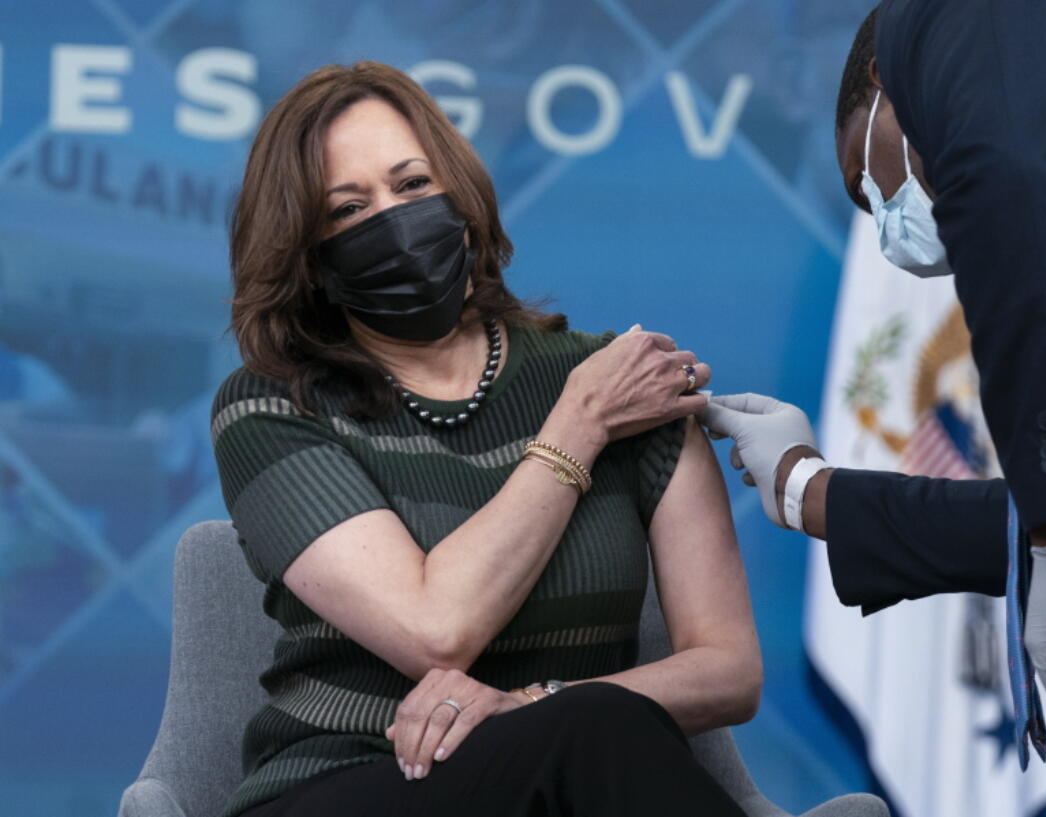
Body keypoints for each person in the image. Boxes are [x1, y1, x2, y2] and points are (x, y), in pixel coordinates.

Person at [703, 3, 1046, 815]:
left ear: (882, 79)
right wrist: (810, 490)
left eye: (864, 184)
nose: (888, 229)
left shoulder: (938, 16)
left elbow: (1012, 182)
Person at [211, 61, 763, 817]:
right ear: (309, 259)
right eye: (347, 210)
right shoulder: (274, 405)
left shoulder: (619, 384)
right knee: (591, 731)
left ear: (462, 197)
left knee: (591, 726)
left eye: (412, 185)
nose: (394, 221)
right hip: (347, 785)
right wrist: (580, 424)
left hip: (565, 781)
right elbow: (436, 631)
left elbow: (729, 671)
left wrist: (542, 701)